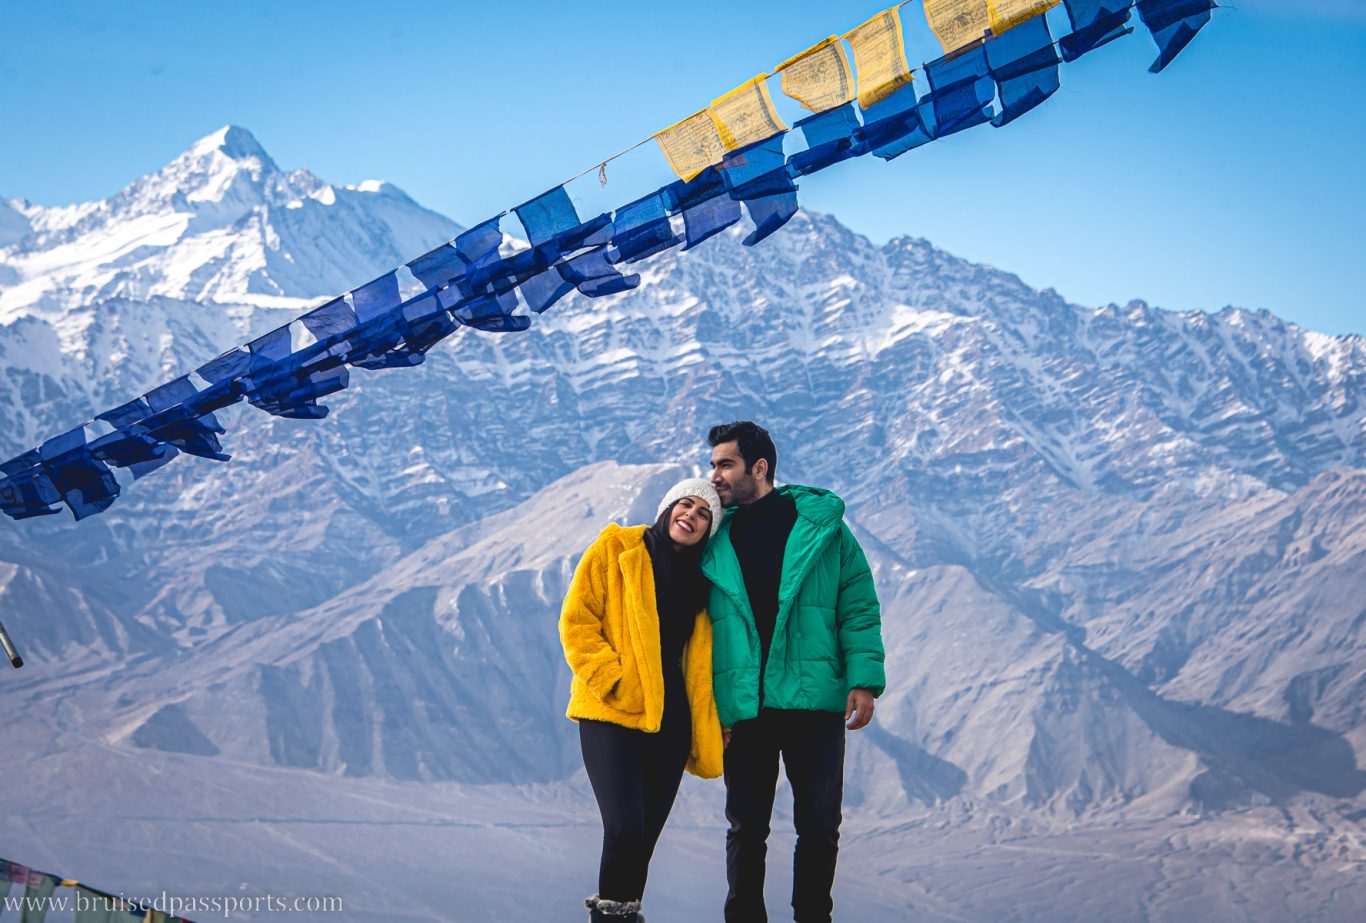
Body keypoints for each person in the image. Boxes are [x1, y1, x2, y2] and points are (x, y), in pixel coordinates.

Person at [701, 421, 885, 923]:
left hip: (813, 701)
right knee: (745, 827)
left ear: (759, 468)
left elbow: (859, 605)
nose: (713, 475)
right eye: (713, 464)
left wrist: (863, 681)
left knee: (821, 824)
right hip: (747, 705)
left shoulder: (822, 529)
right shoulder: (714, 535)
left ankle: (813, 917)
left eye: (725, 464)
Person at [560, 478, 728, 923]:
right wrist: (612, 681)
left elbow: (702, 662)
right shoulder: (617, 549)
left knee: (645, 837)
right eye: (685, 504)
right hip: (612, 710)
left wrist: (714, 720)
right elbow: (577, 622)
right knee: (623, 827)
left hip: (671, 717)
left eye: (704, 514)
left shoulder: (702, 582)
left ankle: (628, 915)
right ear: (668, 506)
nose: (691, 515)